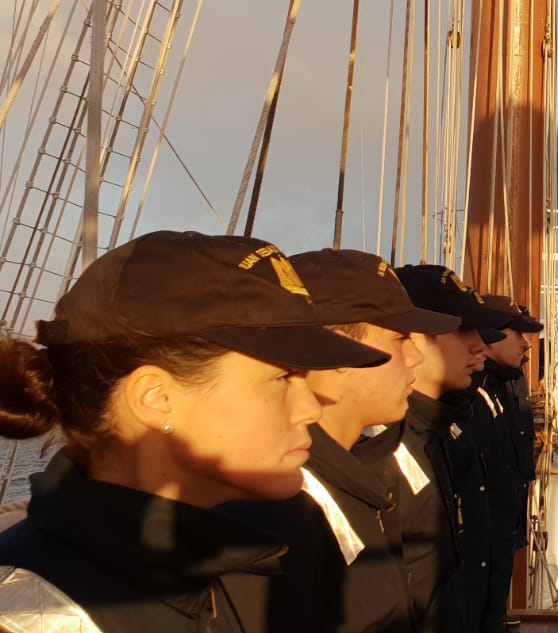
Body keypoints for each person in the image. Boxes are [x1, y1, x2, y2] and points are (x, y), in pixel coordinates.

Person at [0, 231, 390, 631]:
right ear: (156, 397)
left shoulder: (218, 563)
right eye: (283, 379)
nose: (309, 409)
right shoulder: (31, 614)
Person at [222, 248, 461, 633]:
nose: (416, 356)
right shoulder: (278, 514)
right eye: (400, 339)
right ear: (335, 349)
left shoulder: (365, 473)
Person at [356, 264, 513, 633]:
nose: (480, 345)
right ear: (410, 337)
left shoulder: (442, 428)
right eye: (461, 329)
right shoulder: (381, 450)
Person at [469, 293, 543, 630]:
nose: (527, 343)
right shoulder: (479, 391)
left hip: (507, 503)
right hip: (489, 512)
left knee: (497, 583)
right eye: (519, 334)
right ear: (491, 335)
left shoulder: (507, 381)